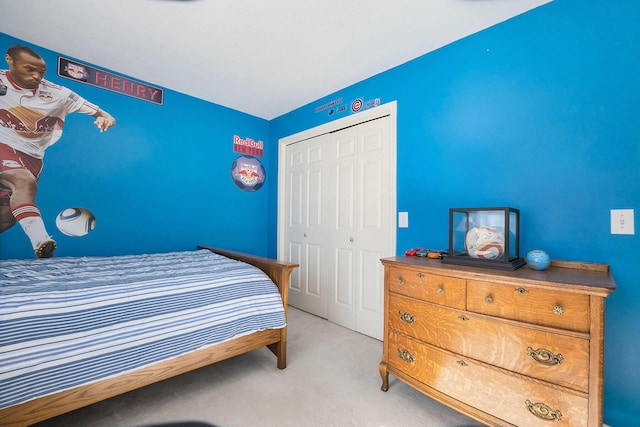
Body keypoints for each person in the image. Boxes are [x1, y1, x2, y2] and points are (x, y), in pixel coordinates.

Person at [0, 45, 115, 258]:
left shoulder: (58, 94)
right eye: (29, 69)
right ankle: (41, 239)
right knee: (23, 181)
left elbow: (103, 113)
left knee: (7, 218)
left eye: (41, 72)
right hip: (2, 145)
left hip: (32, 156)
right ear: (10, 60)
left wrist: (104, 118)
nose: (36, 76)